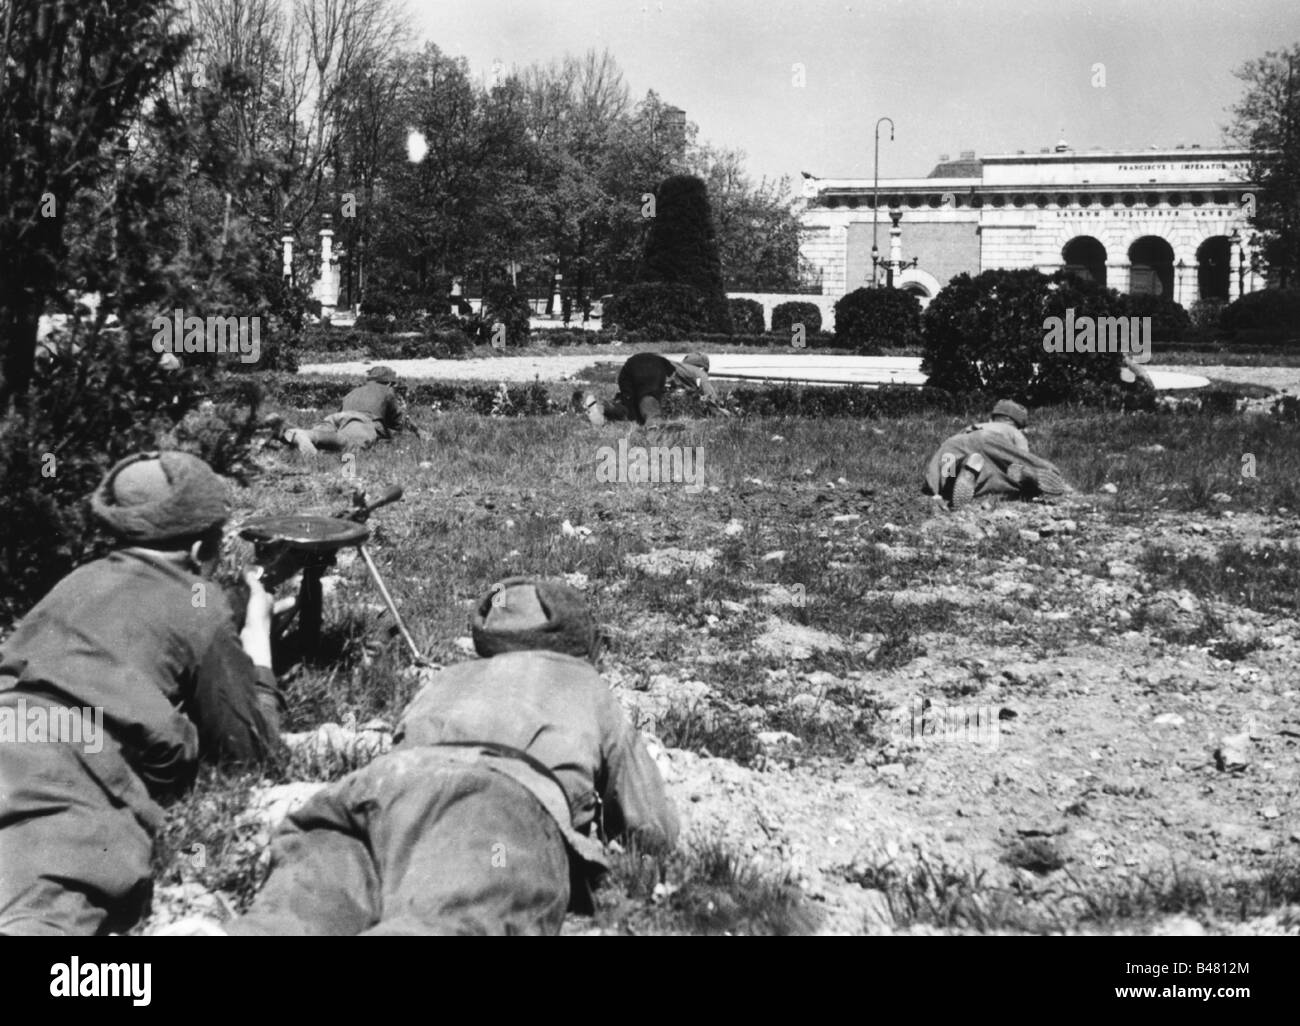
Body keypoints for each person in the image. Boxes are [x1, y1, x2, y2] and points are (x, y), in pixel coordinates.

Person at [165, 577, 679, 936]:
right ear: (578, 642)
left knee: (307, 904)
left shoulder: (447, 679)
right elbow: (651, 828)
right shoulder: (586, 684)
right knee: (458, 913)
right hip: (489, 805)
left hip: (368, 795)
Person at [0, 451, 284, 936]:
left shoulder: (78, 579)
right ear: (199, 552)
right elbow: (250, 753)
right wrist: (257, 643)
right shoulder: (201, 600)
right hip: (68, 762)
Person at [922, 399, 1068, 509]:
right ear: (1017, 424)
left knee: (952, 475)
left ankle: (962, 472)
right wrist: (1035, 469)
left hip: (952, 445)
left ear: (992, 418)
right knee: (1017, 470)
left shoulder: (972, 427)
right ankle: (1043, 476)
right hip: (987, 439)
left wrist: (934, 489)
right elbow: (1021, 458)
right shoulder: (1013, 431)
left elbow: (938, 463)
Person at [280, 365, 425, 454]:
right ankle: (304, 435)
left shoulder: (353, 392)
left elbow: (341, 415)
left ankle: (301, 436)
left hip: (336, 417)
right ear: (389, 383)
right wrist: (418, 432)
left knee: (325, 438)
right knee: (348, 443)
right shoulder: (387, 392)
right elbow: (398, 422)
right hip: (360, 420)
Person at [584, 351, 730, 430]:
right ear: (703, 367)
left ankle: (602, 407)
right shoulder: (699, 372)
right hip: (651, 364)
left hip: (629, 367)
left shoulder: (680, 370)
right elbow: (711, 398)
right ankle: (653, 424)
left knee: (632, 412)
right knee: (650, 401)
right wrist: (722, 411)